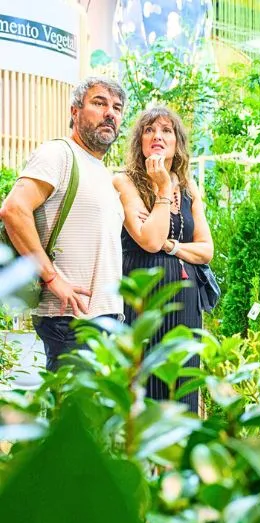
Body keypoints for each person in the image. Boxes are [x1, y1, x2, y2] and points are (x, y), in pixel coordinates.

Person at [0, 77, 126, 371]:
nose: (110, 113)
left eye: (117, 107)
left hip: (100, 318)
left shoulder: (102, 172)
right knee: (74, 413)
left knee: (95, 415)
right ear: (75, 111)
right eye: (99, 103)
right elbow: (14, 210)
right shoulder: (58, 154)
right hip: (69, 319)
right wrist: (52, 278)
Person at [113, 107, 214, 414]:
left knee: (181, 386)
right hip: (143, 300)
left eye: (166, 130)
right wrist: (162, 190)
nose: (157, 136)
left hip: (185, 301)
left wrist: (171, 246)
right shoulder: (123, 182)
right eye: (149, 130)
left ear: (177, 142)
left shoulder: (189, 186)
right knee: (143, 389)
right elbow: (148, 239)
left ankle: (179, 459)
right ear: (139, 141)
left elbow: (206, 249)